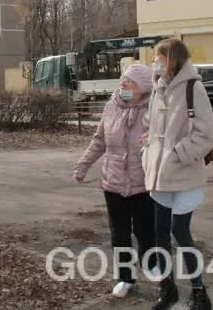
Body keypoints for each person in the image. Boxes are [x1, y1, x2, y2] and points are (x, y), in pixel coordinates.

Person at [142, 38, 213, 310]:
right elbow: (151, 124)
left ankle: (199, 292)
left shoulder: (192, 87)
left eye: (158, 57)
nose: (154, 62)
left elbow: (207, 134)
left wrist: (177, 154)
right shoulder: (157, 87)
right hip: (160, 175)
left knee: (180, 232)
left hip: (183, 175)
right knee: (160, 233)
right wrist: (148, 148)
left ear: (171, 59)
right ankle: (167, 288)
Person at [72, 64, 156, 298]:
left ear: (143, 88)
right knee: (119, 234)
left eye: (130, 82)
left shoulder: (154, 110)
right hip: (113, 182)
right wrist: (83, 165)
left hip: (144, 183)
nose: (123, 85)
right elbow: (99, 140)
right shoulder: (111, 106)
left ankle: (152, 266)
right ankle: (125, 277)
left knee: (145, 232)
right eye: (123, 81)